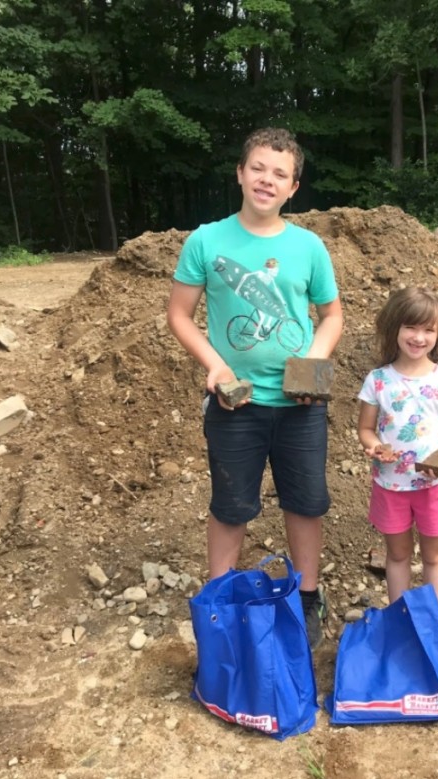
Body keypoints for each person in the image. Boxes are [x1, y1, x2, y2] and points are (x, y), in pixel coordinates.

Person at [167, 127, 344, 648]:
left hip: (300, 405)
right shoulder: (206, 240)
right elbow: (179, 315)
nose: (268, 180)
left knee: (306, 502)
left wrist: (314, 362)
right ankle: (219, 600)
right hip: (233, 405)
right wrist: (216, 367)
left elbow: (331, 316)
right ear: (241, 174)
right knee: (231, 505)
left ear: (293, 188)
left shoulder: (308, 247)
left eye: (280, 174)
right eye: (259, 168)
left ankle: (307, 598)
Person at [356, 287, 438, 609]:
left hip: (436, 485)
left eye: (428, 330)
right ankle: (399, 619)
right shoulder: (378, 381)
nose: (419, 337)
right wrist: (376, 446)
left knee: (434, 557)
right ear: (394, 329)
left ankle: (430, 620)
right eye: (411, 327)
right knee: (398, 555)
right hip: (390, 484)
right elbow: (365, 428)